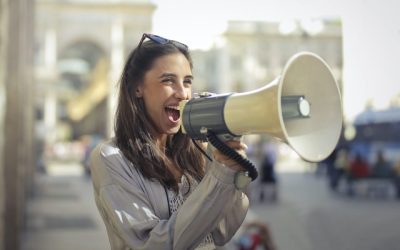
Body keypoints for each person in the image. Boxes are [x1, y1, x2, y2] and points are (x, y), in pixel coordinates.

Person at [90, 33, 250, 250]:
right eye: (168, 80)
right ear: (137, 87)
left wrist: (231, 171)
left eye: (187, 82)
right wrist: (219, 176)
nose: (183, 93)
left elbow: (221, 231)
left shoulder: (198, 151)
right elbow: (154, 244)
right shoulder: (111, 158)